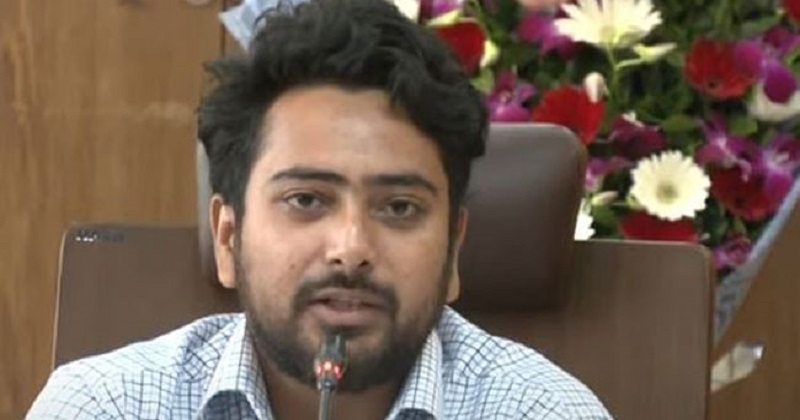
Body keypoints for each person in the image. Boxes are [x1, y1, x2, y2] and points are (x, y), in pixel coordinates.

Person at [27, 0, 611, 418]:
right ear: (228, 238)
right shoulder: (104, 405)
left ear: (454, 250)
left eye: (400, 207)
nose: (351, 248)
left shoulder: (546, 411)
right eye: (306, 200)